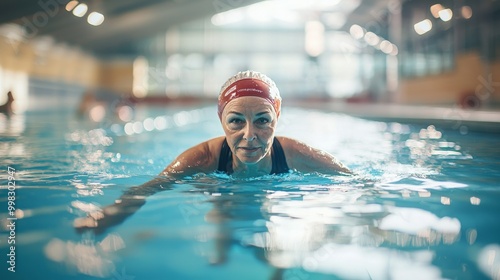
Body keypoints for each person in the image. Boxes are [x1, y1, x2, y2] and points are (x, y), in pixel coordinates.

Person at [74, 70, 351, 232]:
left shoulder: (294, 153)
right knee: (223, 224)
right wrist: (109, 215)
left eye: (263, 121)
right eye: (236, 121)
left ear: (277, 117)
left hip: (269, 202)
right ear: (221, 120)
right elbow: (148, 189)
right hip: (220, 194)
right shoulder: (203, 158)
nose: (250, 135)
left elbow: (353, 181)